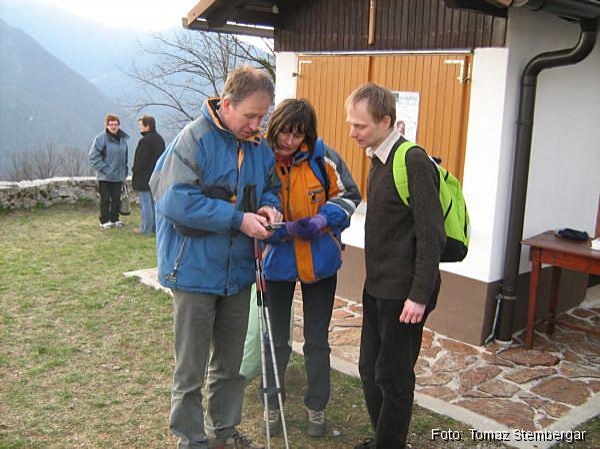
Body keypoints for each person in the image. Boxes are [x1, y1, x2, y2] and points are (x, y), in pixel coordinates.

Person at [149, 65, 281, 449]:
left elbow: (270, 186)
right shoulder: (193, 140)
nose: (256, 125)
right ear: (226, 104)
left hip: (237, 271)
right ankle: (192, 438)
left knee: (230, 363)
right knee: (190, 366)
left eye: (262, 116)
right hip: (193, 269)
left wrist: (269, 207)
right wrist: (238, 219)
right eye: (250, 115)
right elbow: (174, 200)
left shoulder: (257, 146)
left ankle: (224, 431)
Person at [345, 83, 446, 449]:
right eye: (351, 124)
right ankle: (385, 440)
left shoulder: (413, 161)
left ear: (386, 121)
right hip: (377, 287)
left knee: (394, 376)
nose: (352, 133)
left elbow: (431, 235)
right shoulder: (378, 159)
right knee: (369, 370)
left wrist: (419, 294)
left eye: (360, 125)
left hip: (404, 295)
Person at [259, 99, 361, 438]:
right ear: (275, 127)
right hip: (276, 263)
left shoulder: (322, 156)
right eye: (285, 132)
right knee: (275, 340)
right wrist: (275, 230)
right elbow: (250, 204)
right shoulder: (261, 159)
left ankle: (316, 406)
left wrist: (321, 220)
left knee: (317, 340)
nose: (290, 141)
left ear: (308, 134)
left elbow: (350, 195)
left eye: (298, 134)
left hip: (321, 262)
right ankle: (272, 404)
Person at [89, 113, 129, 229]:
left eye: (115, 124)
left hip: (118, 176)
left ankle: (115, 219)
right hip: (104, 176)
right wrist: (105, 169)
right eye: (111, 124)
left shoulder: (123, 139)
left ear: (119, 125)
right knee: (105, 199)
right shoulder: (100, 139)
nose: (113, 126)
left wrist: (124, 171)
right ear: (106, 125)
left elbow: (125, 157)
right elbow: (93, 156)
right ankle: (104, 220)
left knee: (116, 198)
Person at [131, 114, 165, 234]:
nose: (140, 128)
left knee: (146, 204)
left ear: (147, 126)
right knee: (154, 204)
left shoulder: (144, 141)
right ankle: (155, 227)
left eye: (141, 125)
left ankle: (146, 228)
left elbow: (140, 161)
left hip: (144, 177)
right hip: (156, 176)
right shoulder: (160, 139)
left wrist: (135, 170)